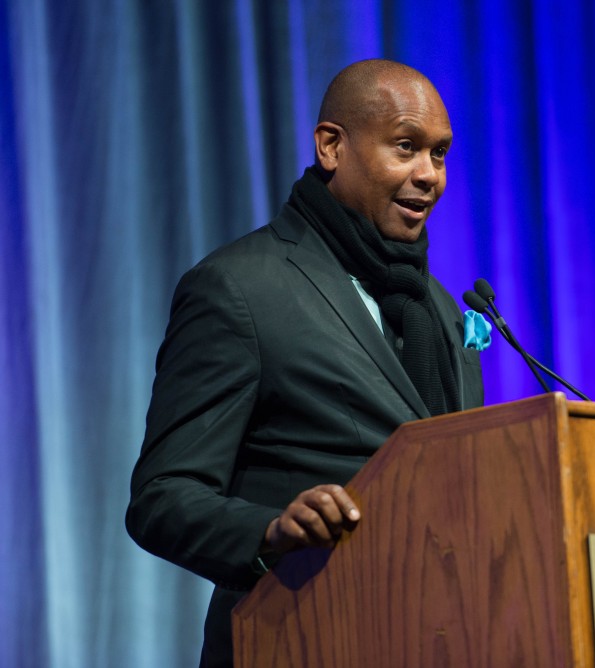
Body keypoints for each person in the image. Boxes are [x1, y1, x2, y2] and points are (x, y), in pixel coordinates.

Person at [126, 59, 484, 667]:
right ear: (330, 146)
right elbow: (162, 497)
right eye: (405, 147)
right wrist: (271, 533)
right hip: (298, 635)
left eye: (440, 154)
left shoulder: (444, 309)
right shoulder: (240, 289)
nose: (429, 175)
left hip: (437, 639)